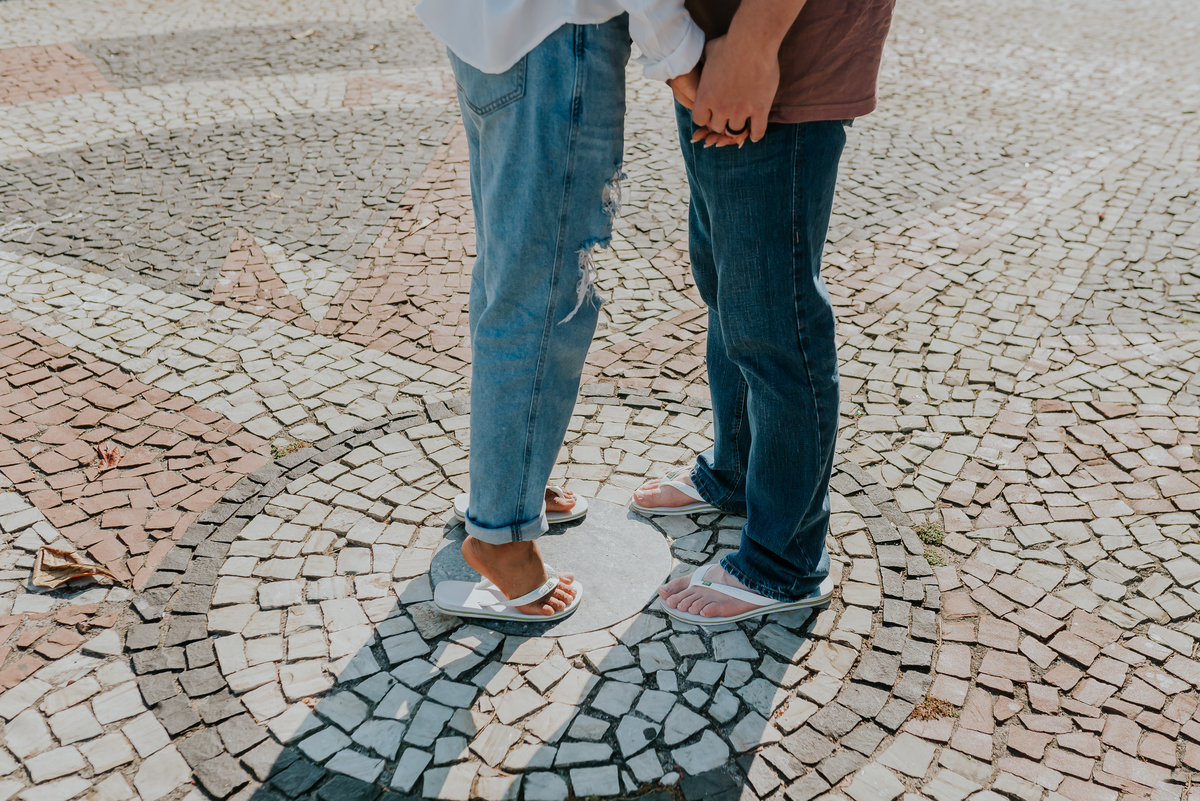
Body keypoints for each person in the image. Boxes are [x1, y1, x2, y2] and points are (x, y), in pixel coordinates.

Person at [417, 0, 705, 620]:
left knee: (508, 270)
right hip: (557, 34)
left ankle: (512, 485)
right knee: (545, 291)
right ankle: (503, 538)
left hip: (489, 26)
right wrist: (676, 54)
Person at [632, 0, 896, 625]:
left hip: (773, 57)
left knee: (774, 323)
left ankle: (785, 562)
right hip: (720, 48)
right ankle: (735, 470)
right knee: (727, 285)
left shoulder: (757, 49)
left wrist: (752, 40)